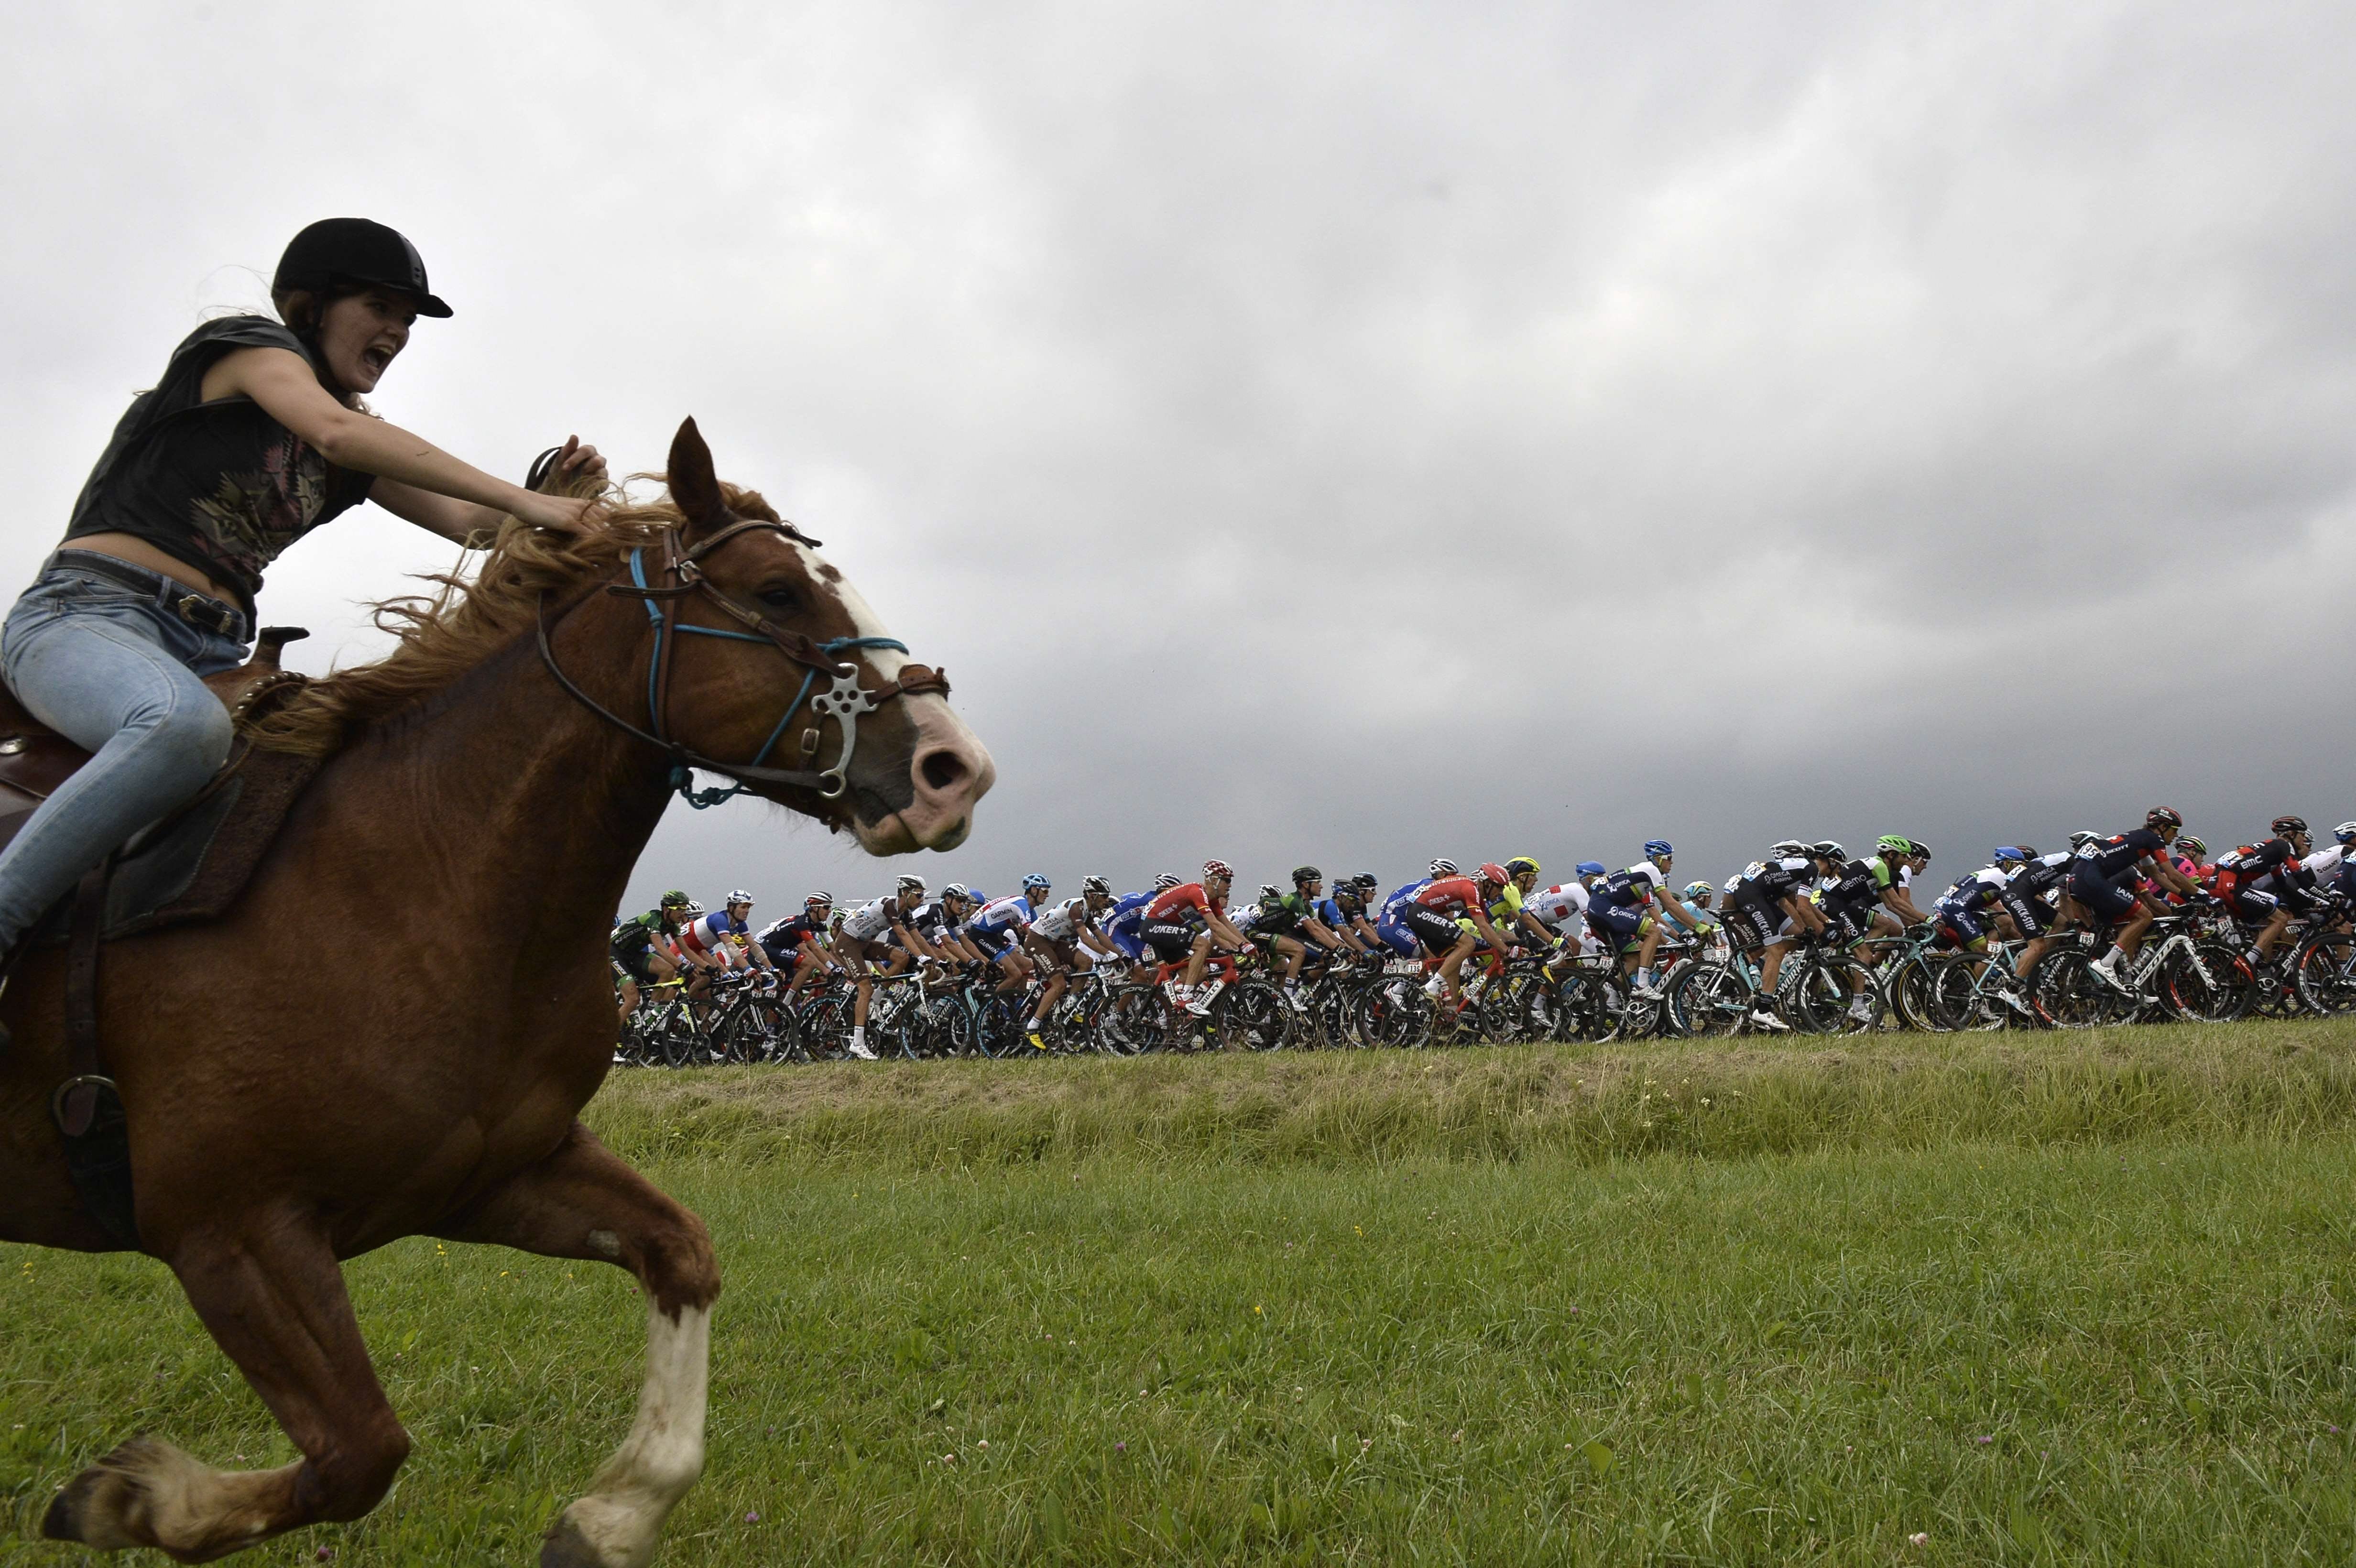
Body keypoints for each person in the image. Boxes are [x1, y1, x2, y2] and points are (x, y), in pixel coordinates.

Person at [0, 220, 602, 1020]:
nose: (396, 330)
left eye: (407, 320)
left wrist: (557, 499)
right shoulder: (245, 348)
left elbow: (472, 528)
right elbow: (335, 427)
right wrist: (526, 502)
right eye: (379, 305)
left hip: (217, 654)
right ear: (311, 305)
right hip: (89, 616)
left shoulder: (356, 449)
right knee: (179, 732)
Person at [611, 890, 693, 1024]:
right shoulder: (653, 918)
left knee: (668, 970)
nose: (683, 913)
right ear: (666, 909)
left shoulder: (673, 926)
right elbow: (660, 948)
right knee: (633, 999)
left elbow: (686, 950)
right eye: (679, 909)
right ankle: (610, 1038)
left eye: (685, 909)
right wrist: (682, 965)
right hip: (614, 953)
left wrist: (707, 967)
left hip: (633, 954)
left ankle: (651, 1015)